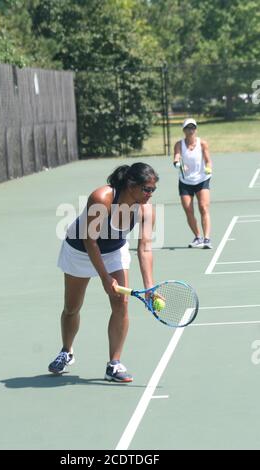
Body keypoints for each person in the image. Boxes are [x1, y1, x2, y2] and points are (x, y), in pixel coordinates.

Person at [49, 163, 159, 383]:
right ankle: (66, 350)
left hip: (114, 250)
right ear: (131, 185)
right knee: (72, 308)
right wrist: (105, 277)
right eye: (146, 189)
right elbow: (90, 241)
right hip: (80, 249)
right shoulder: (102, 198)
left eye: (153, 190)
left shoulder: (146, 210)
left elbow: (145, 247)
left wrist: (150, 287)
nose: (150, 194)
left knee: (121, 303)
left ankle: (114, 364)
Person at [173, 118, 213, 249]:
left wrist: (208, 168)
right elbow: (176, 158)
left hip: (202, 180)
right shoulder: (179, 144)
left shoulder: (203, 144)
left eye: (193, 128)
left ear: (195, 130)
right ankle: (198, 237)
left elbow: (208, 160)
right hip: (185, 182)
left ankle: (207, 239)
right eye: (188, 128)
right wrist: (179, 165)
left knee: (203, 207)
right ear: (184, 130)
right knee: (188, 210)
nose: (191, 130)